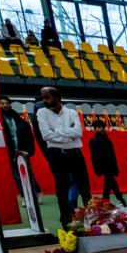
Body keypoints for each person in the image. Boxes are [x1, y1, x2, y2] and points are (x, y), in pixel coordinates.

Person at [35, 86, 90, 227]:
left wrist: (58, 132)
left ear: (57, 97)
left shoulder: (72, 112)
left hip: (76, 154)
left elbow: (78, 132)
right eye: (43, 97)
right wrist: (68, 134)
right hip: (57, 155)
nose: (44, 100)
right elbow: (46, 135)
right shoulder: (41, 112)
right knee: (62, 190)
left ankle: (90, 220)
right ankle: (66, 221)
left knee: (85, 188)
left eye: (47, 97)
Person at [0, 97, 41, 202]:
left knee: (28, 173)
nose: (4, 105)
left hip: (22, 151)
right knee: (17, 176)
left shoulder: (20, 120)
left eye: (6, 103)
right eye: (2, 103)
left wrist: (29, 151)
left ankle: (37, 192)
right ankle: (24, 196)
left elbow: (29, 136)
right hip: (10, 153)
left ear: (10, 105)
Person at [89, 120, 126, 206]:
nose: (101, 129)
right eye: (99, 127)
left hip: (110, 166)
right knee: (113, 183)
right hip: (103, 166)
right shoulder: (93, 141)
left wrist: (115, 166)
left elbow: (112, 154)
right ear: (95, 129)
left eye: (103, 127)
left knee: (109, 184)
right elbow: (94, 157)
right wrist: (97, 168)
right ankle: (121, 200)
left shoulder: (107, 140)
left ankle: (106, 201)